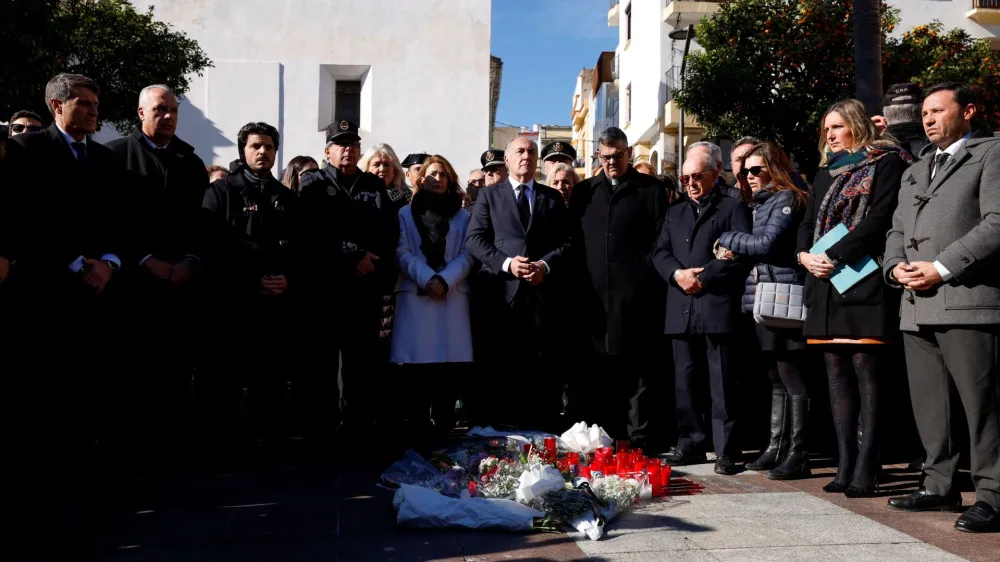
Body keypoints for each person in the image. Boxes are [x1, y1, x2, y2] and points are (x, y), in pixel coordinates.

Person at [1, 73, 127, 502]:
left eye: (96, 103)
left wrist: (108, 263)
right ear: (57, 106)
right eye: (85, 103)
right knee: (46, 389)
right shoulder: (26, 151)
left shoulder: (107, 160)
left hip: (99, 293)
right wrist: (75, 264)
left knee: (94, 387)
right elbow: (25, 221)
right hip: (47, 293)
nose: (94, 111)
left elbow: (118, 220)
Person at [883, 82, 1000, 533]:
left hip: (969, 301)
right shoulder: (916, 169)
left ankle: (993, 494)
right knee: (932, 405)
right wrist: (895, 268)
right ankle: (939, 485)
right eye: (924, 113)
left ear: (968, 111)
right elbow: (896, 228)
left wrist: (943, 266)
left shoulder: (991, 154)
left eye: (937, 110)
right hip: (915, 303)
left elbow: (997, 222)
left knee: (981, 404)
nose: (927, 118)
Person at [796, 99, 911, 497]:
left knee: (867, 370)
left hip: (863, 281)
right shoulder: (825, 172)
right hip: (825, 284)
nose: (829, 135)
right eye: (826, 128)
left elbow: (880, 219)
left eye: (837, 127)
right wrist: (804, 255)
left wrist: (834, 253)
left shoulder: (886, 162)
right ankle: (845, 463)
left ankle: (868, 465)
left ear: (858, 127)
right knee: (835, 372)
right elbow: (808, 224)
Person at [105, 84, 211, 468]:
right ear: (140, 112)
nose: (168, 116)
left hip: (182, 285)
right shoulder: (114, 157)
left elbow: (203, 223)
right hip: (134, 285)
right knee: (134, 376)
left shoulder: (190, 162)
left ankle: (174, 453)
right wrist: (144, 259)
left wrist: (191, 260)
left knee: (178, 373)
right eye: (160, 109)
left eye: (174, 110)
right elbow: (108, 221)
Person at [200, 121, 301, 450]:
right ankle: (228, 444)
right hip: (236, 303)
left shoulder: (286, 197)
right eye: (256, 145)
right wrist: (252, 281)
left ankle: (271, 441)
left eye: (269, 146)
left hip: (278, 305)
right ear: (243, 150)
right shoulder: (221, 192)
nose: (263, 151)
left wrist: (288, 278)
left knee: (272, 379)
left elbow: (301, 248)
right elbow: (213, 248)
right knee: (228, 380)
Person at [567, 127, 668, 447]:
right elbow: (573, 243)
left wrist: (643, 277)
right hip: (594, 298)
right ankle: (604, 435)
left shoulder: (651, 190)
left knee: (638, 371)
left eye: (618, 156)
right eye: (606, 157)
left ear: (628, 154)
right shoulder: (584, 192)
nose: (612, 162)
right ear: (598, 155)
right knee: (600, 370)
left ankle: (640, 438)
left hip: (636, 296)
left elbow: (659, 240)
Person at [717, 142, 811, 479]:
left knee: (792, 374)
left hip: (784, 295)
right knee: (774, 375)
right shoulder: (760, 203)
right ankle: (776, 445)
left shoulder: (787, 198)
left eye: (757, 169)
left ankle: (798, 452)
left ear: (774, 167)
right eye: (744, 171)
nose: (749, 176)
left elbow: (766, 244)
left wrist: (728, 238)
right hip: (763, 297)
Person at [654, 151, 752, 474]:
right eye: (685, 179)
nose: (691, 184)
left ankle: (726, 450)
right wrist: (678, 275)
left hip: (715, 304)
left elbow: (738, 254)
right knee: (684, 381)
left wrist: (704, 276)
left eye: (697, 177)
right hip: (681, 305)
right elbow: (661, 253)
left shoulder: (732, 206)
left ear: (714, 173)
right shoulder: (675, 211)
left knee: (722, 380)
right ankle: (691, 443)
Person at [299, 120, 399, 431]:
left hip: (364, 289)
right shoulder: (312, 184)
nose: (348, 148)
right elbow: (311, 235)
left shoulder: (374, 186)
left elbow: (388, 234)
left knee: (361, 365)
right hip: (327, 289)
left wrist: (369, 261)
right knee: (323, 365)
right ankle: (323, 429)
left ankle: (358, 428)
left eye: (353, 143)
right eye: (341, 143)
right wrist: (351, 257)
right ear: (327, 150)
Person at [466, 137, 568, 428]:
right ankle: (496, 435)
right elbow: (474, 239)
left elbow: (566, 243)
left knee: (539, 370)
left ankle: (539, 434)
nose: (527, 156)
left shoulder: (552, 197)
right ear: (507, 159)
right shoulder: (489, 196)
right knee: (498, 368)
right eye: (520, 151)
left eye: (532, 151)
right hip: (500, 295)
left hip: (540, 297)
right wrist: (507, 263)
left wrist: (544, 265)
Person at [392, 155, 475, 430]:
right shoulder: (405, 213)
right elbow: (401, 252)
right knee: (418, 375)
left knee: (447, 375)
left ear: (450, 180)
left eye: (442, 174)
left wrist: (444, 280)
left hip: (451, 298)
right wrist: (428, 278)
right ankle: (417, 439)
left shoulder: (462, 215)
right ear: (420, 178)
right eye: (431, 174)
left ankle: (445, 436)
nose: (437, 179)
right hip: (418, 297)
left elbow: (467, 253)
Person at [363, 144, 410, 208]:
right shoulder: (360, 195)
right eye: (376, 165)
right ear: (367, 168)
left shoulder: (406, 195)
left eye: (387, 164)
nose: (382, 169)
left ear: (394, 169)